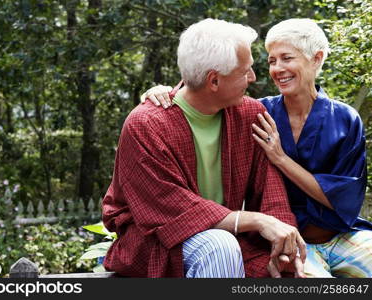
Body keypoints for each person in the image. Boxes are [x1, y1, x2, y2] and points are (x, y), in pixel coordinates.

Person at [142, 18, 372, 278]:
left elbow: (343, 198)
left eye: (287, 58)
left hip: (342, 238)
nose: (277, 69)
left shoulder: (345, 119)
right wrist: (166, 92)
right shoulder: (259, 113)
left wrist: (281, 158)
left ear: (317, 58)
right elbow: (206, 89)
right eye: (272, 61)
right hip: (288, 243)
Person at [102, 18, 306, 278]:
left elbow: (270, 193)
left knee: (285, 270)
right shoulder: (146, 125)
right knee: (218, 246)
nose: (253, 78)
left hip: (229, 237)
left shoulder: (250, 114)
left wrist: (284, 242)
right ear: (214, 81)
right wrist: (255, 220)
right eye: (245, 72)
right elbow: (173, 208)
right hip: (156, 242)